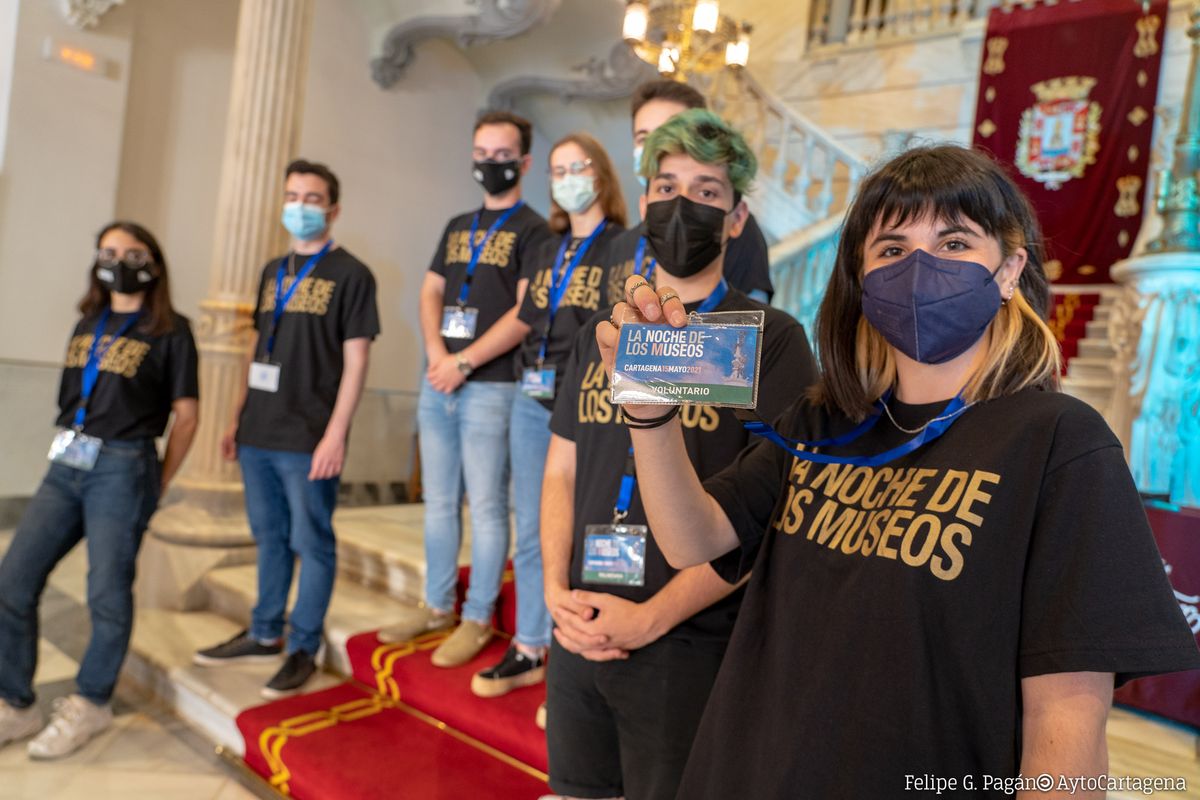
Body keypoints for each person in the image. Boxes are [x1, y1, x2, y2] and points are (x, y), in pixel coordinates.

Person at [600, 144, 1200, 798]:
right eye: (890, 249)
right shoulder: (824, 420)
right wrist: (651, 418)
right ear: (861, 280)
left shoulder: (1059, 442)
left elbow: (1065, 717)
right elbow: (694, 540)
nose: (919, 266)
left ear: (1009, 269)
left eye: (953, 242)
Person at [541, 110, 817, 800]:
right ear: (643, 203)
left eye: (706, 192)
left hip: (687, 641)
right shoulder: (602, 333)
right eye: (667, 188)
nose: (682, 206)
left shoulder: (769, 340)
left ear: (736, 218)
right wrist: (554, 591)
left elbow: (769, 519)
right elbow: (561, 471)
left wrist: (652, 616)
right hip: (579, 623)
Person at [0, 222, 199, 758]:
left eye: (133, 253)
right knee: (13, 580)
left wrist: (157, 480)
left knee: (106, 594)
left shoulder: (172, 329)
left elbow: (186, 416)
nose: (119, 261)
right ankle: (15, 704)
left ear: (153, 264)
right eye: (109, 252)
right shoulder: (89, 322)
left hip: (124, 464)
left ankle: (91, 702)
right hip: (67, 461)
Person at [194, 159, 380, 699]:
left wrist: (336, 434)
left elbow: (357, 360)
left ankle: (303, 644)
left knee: (311, 539)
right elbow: (258, 347)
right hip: (259, 431)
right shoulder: (273, 270)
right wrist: (235, 416)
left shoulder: (352, 275)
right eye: (292, 196)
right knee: (269, 536)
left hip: (308, 435)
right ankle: (264, 631)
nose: (300, 206)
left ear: (333, 208)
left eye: (312, 197)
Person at [378, 111, 553, 669]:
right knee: (437, 502)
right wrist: (437, 356)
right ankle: (436, 604)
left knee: (485, 505)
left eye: (502, 156)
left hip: (492, 385)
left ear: (523, 163)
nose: (490, 164)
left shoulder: (535, 230)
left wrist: (465, 361)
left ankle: (477, 615)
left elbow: (528, 312)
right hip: (440, 380)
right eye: (482, 153)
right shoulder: (458, 225)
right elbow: (431, 292)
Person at [470, 133, 627, 698]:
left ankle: (573, 654)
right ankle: (530, 644)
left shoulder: (620, 246)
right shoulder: (545, 247)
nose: (567, 178)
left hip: (587, 405)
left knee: (583, 530)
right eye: (558, 170)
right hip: (529, 398)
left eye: (578, 167)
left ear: (602, 175)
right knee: (535, 528)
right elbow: (529, 318)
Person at [602, 79, 774, 305]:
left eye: (671, 131)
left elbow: (753, 321)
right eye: (644, 138)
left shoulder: (733, 231)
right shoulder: (620, 244)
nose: (657, 147)